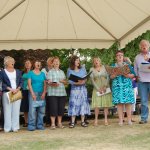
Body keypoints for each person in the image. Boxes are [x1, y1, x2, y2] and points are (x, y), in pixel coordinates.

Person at [110, 51, 135, 126]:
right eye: (118, 55)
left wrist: (128, 75)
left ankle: (129, 120)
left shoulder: (127, 65)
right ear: (116, 57)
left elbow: (133, 75)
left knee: (128, 103)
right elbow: (110, 77)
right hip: (117, 87)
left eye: (121, 55)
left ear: (123, 57)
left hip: (126, 86)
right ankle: (120, 120)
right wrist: (115, 74)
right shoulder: (113, 65)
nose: (120, 57)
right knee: (119, 103)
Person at [0, 56, 23, 132]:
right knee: (7, 110)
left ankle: (15, 127)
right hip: (7, 93)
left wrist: (17, 89)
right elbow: (2, 83)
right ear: (6, 63)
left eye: (13, 61)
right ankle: (7, 128)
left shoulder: (18, 71)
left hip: (17, 92)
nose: (13, 62)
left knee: (16, 110)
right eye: (10, 61)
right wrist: (10, 89)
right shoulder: (2, 72)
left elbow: (21, 81)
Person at [67, 56, 90, 128]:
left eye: (78, 60)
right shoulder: (69, 70)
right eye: (76, 60)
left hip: (83, 90)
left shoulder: (83, 69)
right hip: (74, 90)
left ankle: (83, 122)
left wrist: (83, 81)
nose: (78, 62)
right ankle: (72, 122)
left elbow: (86, 78)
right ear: (73, 61)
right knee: (73, 105)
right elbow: (70, 81)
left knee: (83, 104)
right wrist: (77, 83)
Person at [90, 57, 113, 126]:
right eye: (95, 61)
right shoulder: (91, 69)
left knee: (106, 105)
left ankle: (106, 119)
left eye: (97, 60)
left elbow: (108, 77)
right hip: (97, 89)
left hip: (105, 88)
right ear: (93, 62)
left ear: (100, 61)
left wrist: (105, 86)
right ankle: (96, 120)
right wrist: (98, 88)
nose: (96, 62)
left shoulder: (104, 68)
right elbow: (92, 80)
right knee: (97, 105)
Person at [47, 57, 67, 129]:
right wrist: (53, 84)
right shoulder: (50, 72)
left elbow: (65, 82)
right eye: (55, 61)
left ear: (59, 63)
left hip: (62, 93)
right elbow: (48, 82)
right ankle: (53, 124)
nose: (56, 63)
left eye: (57, 61)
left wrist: (63, 82)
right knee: (53, 108)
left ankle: (59, 123)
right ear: (52, 63)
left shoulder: (62, 72)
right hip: (53, 93)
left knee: (61, 109)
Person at [134, 39, 150, 124]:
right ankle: (144, 118)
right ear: (140, 47)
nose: (144, 46)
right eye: (142, 45)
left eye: (145, 45)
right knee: (143, 100)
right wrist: (137, 76)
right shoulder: (137, 57)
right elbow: (135, 69)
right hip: (142, 81)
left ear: (148, 46)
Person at [28, 60, 46, 131]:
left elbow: (45, 84)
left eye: (39, 63)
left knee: (41, 110)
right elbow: (29, 84)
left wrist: (44, 93)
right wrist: (32, 93)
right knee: (32, 110)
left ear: (40, 65)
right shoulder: (30, 73)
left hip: (41, 93)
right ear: (34, 64)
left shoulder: (42, 74)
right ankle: (31, 126)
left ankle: (40, 125)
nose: (38, 64)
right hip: (33, 93)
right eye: (37, 63)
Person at [41, 57, 53, 127]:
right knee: (47, 107)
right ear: (48, 62)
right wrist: (47, 81)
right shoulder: (43, 70)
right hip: (46, 91)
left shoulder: (55, 70)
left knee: (52, 106)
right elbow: (42, 80)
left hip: (54, 91)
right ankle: (48, 121)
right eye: (51, 62)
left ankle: (53, 122)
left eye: (52, 61)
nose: (52, 63)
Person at [20, 60, 32, 127]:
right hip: (24, 91)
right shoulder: (22, 72)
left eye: (28, 63)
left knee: (31, 106)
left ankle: (31, 121)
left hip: (31, 91)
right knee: (25, 107)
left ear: (31, 64)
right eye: (26, 63)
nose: (27, 64)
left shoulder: (33, 72)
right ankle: (26, 122)